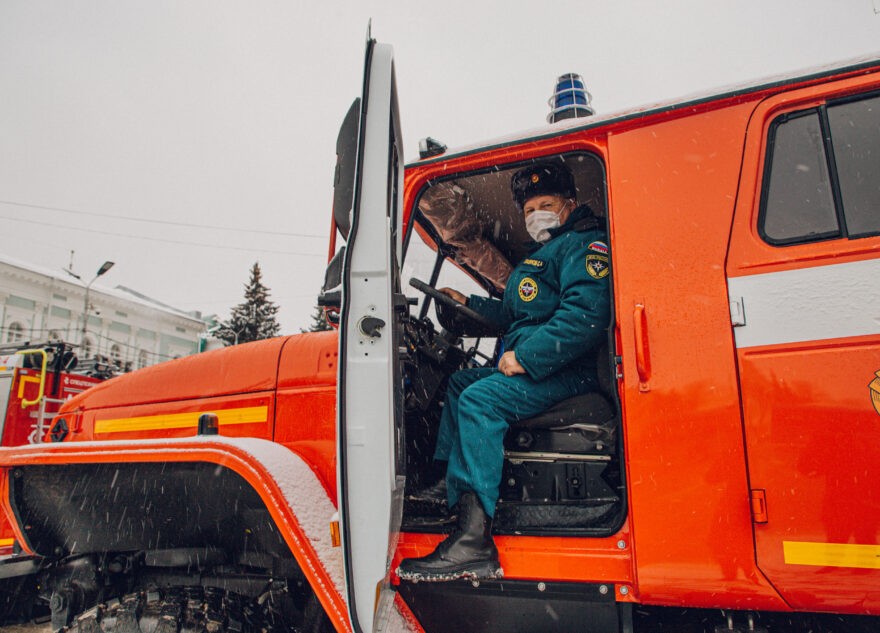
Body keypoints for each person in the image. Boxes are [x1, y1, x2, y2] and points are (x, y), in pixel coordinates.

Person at [397, 160, 612, 582]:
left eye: (546, 204)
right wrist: (466, 303)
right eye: (529, 210)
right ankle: (449, 485)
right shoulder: (543, 255)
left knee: (480, 399)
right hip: (542, 368)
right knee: (461, 383)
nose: (536, 216)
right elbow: (513, 315)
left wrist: (527, 356)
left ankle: (473, 541)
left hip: (568, 370)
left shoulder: (585, 246)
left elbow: (587, 314)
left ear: (570, 204)